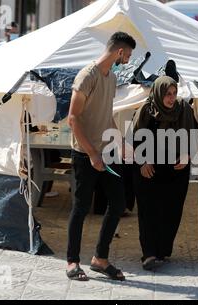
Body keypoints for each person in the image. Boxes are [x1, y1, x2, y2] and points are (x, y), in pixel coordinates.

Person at [66, 32, 136, 281]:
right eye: (127, 55)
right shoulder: (87, 76)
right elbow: (72, 118)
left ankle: (99, 258)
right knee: (81, 208)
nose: (128, 59)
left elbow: (107, 117)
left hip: (107, 153)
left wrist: (122, 143)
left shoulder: (112, 77)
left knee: (118, 204)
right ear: (119, 52)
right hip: (86, 154)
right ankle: (72, 261)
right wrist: (93, 154)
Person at [133, 76, 198, 271]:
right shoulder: (147, 110)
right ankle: (149, 253)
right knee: (149, 211)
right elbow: (133, 140)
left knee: (171, 211)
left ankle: (161, 250)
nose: (171, 98)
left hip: (176, 170)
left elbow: (195, 135)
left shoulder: (184, 109)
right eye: (167, 94)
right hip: (149, 170)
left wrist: (188, 155)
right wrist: (142, 162)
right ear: (158, 93)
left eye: (174, 93)